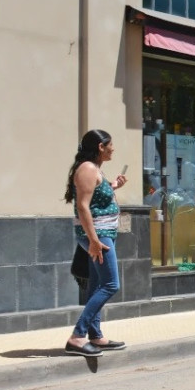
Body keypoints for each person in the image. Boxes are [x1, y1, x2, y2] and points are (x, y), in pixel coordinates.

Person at [63, 129, 129, 357]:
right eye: (110, 145)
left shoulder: (94, 169)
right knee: (111, 284)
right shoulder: (88, 169)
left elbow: (95, 199)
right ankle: (77, 337)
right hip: (97, 235)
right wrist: (93, 240)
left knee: (95, 285)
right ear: (101, 147)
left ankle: (95, 335)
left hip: (101, 233)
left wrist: (112, 187)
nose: (113, 149)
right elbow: (82, 206)